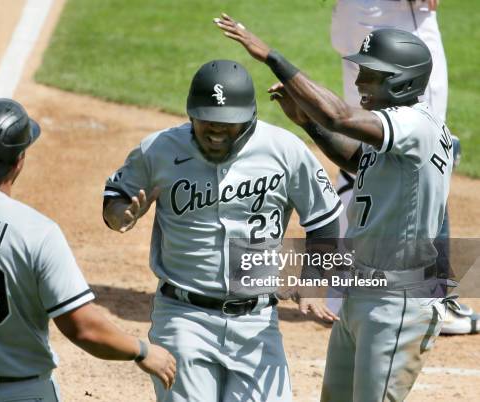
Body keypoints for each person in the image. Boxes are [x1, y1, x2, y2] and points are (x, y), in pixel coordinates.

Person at [214, 13, 454, 401]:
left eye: (371, 75)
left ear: (401, 80)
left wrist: (271, 56)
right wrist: (308, 124)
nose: (359, 82)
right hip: (365, 292)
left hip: (398, 303)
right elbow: (359, 161)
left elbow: (338, 116)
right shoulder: (400, 134)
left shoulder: (415, 125)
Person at [0, 98, 176, 402]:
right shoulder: (37, 231)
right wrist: (142, 351)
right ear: (19, 161)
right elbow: (82, 328)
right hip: (22, 393)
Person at [102, 59, 343, 401]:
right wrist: (120, 216)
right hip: (184, 319)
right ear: (191, 115)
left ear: (249, 119)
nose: (215, 131)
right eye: (206, 121)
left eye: (227, 124)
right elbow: (116, 198)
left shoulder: (284, 150)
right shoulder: (159, 149)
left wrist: (315, 278)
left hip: (258, 322)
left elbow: (324, 217)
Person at [330, 0, 473, 334]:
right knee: (433, 148)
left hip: (354, 16)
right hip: (396, 16)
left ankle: (342, 288)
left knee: (366, 145)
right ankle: (434, 297)